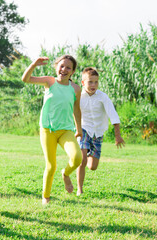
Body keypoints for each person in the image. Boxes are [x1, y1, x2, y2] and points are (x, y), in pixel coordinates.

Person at [21, 55, 83, 204]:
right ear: (56, 67)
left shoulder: (75, 89)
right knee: (51, 166)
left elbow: (76, 109)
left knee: (77, 158)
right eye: (61, 66)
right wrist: (34, 64)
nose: (64, 70)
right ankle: (46, 197)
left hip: (66, 130)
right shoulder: (49, 82)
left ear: (73, 72)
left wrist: (79, 129)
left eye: (68, 67)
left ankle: (66, 174)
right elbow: (26, 79)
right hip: (48, 130)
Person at [76, 67, 125, 196]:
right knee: (82, 161)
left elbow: (113, 115)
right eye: (90, 82)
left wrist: (118, 135)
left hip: (98, 132)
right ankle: (79, 189)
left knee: (92, 167)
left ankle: (85, 157)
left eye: (96, 82)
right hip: (84, 129)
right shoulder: (78, 96)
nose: (93, 85)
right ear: (83, 83)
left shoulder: (103, 97)